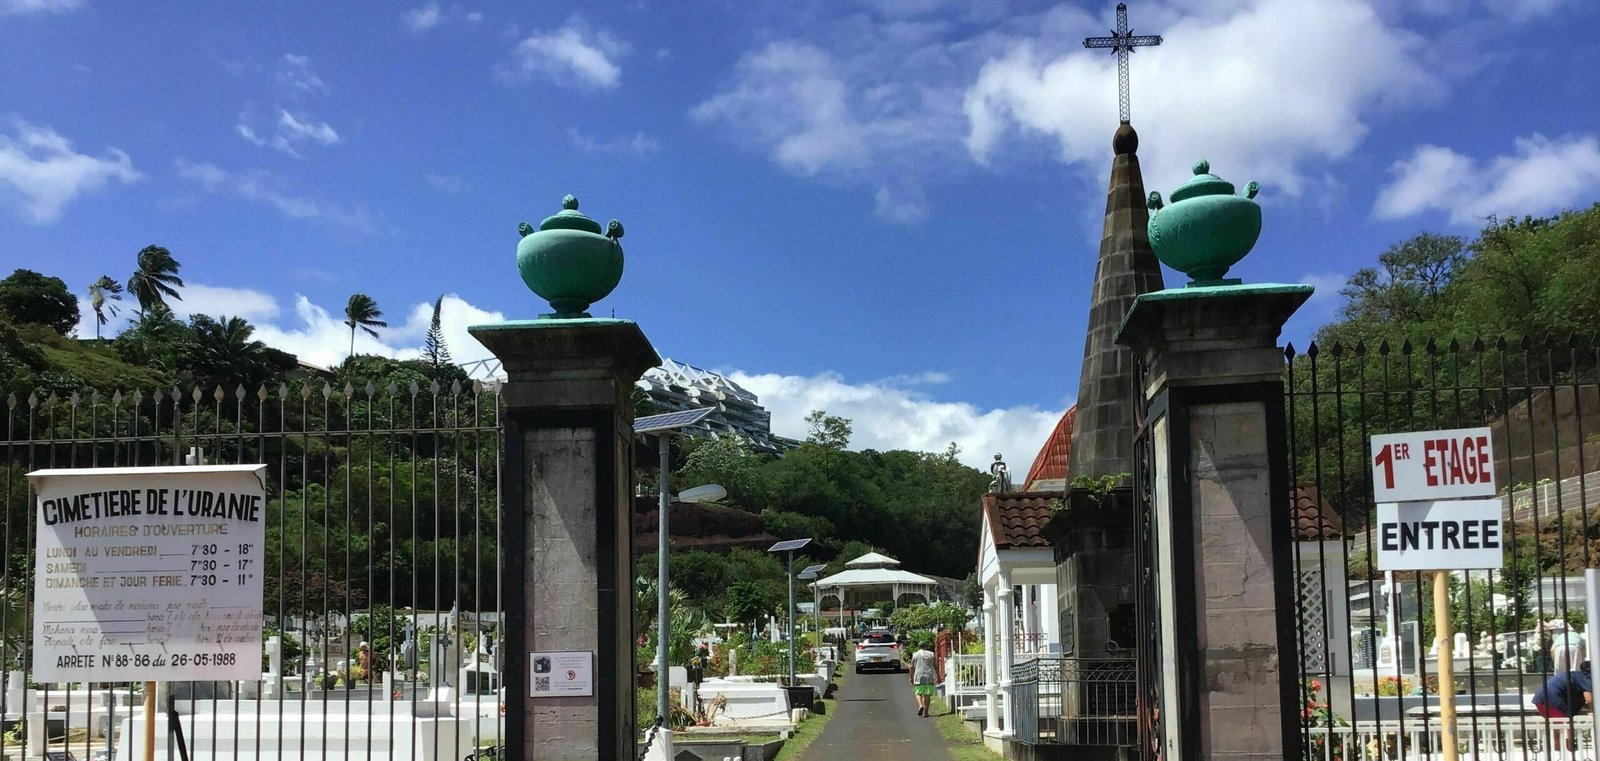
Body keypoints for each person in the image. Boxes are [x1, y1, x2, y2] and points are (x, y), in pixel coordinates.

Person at [909, 639, 937, 717]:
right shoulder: (931, 654)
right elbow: (935, 665)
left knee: (918, 693)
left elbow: (911, 667)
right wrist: (938, 675)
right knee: (927, 694)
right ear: (926, 647)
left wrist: (911, 677)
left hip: (919, 676)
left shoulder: (915, 655)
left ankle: (920, 705)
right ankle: (926, 712)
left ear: (918, 647)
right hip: (929, 676)